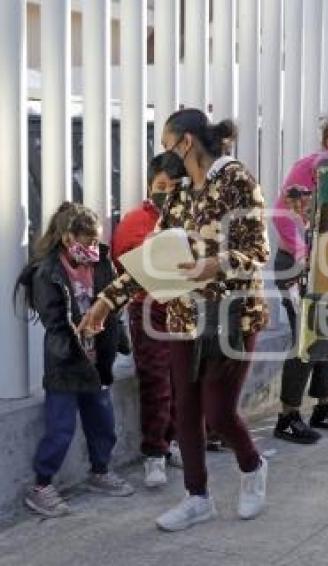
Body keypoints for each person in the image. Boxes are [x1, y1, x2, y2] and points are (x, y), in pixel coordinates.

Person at [78, 108, 270, 531]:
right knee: (185, 410)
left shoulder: (237, 180)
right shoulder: (181, 194)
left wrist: (216, 265)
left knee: (218, 414)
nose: (166, 153)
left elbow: (258, 252)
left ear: (186, 142)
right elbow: (152, 261)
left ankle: (253, 468)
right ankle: (197, 497)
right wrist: (107, 302)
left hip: (232, 317)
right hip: (184, 315)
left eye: (167, 144)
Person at [14, 203, 134, 517]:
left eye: (96, 240)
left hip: (98, 362)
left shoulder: (102, 262)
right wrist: (76, 340)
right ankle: (41, 485)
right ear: (68, 238)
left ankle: (100, 471)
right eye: (88, 240)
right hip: (66, 364)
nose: (93, 247)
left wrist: (117, 339)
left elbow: (114, 305)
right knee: (60, 427)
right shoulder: (48, 271)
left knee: (103, 422)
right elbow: (54, 320)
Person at [111, 153, 186, 487]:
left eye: (174, 187)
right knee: (157, 382)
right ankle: (153, 453)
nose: (167, 192)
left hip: (183, 307)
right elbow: (126, 268)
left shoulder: (189, 216)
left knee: (182, 381)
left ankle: (172, 441)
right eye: (162, 186)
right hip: (148, 309)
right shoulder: (135, 221)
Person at [271, 124, 328, 444]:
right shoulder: (311, 167)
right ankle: (287, 415)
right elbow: (280, 213)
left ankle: (322, 406)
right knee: (305, 335)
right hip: (296, 266)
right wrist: (304, 254)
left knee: (327, 332)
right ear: (325, 141)